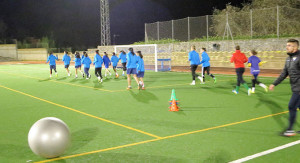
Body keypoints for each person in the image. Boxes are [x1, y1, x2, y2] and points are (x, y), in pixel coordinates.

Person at [269, 39, 300, 137]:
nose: (287, 47)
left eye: (289, 45)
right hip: (295, 87)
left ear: (295, 47)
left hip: (299, 89)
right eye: (287, 45)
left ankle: (290, 130)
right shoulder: (288, 59)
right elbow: (284, 73)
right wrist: (274, 84)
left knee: (291, 106)